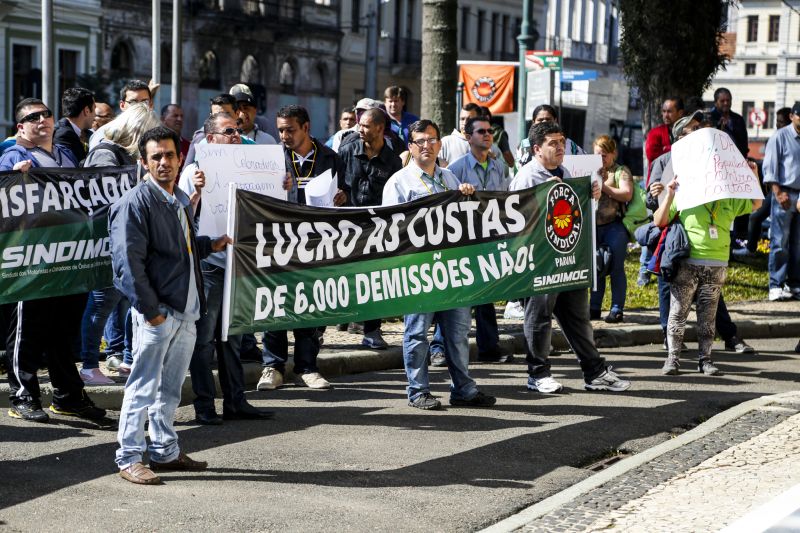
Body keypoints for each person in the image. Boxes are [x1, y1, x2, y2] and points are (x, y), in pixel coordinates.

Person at [109, 125, 231, 485]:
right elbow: (127, 266)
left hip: (186, 311)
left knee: (170, 389)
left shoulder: (177, 198)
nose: (164, 162)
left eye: (169, 155)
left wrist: (211, 244)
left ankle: (164, 451)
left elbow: (181, 249)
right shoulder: (134, 203)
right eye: (156, 157)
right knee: (142, 386)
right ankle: (129, 457)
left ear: (181, 159)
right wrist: (153, 312)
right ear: (144, 163)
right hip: (159, 314)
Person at [0, 98, 105, 423]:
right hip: (30, 260)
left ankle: (68, 396)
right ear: (21, 127)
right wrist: (13, 178)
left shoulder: (65, 155)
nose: (42, 120)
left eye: (46, 114)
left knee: (63, 332)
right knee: (27, 330)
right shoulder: (13, 156)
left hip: (66, 259)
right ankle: (23, 396)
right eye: (33, 117)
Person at [382, 119, 496, 410]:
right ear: (410, 147)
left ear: (439, 144)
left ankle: (464, 390)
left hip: (454, 270)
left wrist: (468, 196)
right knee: (417, 333)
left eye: (432, 140)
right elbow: (388, 230)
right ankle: (418, 391)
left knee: (457, 333)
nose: (426, 146)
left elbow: (467, 220)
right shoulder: (399, 182)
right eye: (420, 141)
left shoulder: (450, 179)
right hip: (418, 271)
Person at [509, 121, 630, 394]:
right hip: (540, 262)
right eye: (553, 142)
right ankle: (537, 374)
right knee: (538, 317)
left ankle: (594, 371)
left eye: (562, 141)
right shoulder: (527, 177)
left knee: (577, 318)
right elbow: (514, 220)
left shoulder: (567, 172)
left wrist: (592, 197)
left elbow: (574, 216)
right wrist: (541, 197)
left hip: (568, 260)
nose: (560, 146)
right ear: (537, 148)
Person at [178, 112, 275, 425]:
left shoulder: (250, 168)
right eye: (228, 131)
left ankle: (236, 401)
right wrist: (197, 192)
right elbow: (181, 217)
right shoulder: (193, 171)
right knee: (204, 339)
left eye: (238, 130)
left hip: (240, 266)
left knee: (234, 338)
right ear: (210, 139)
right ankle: (205, 405)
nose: (236, 135)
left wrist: (281, 186)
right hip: (209, 267)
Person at [653, 119, 761, 375]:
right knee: (678, 313)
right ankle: (672, 359)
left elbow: (756, 204)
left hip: (717, 264)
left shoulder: (726, 196)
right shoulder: (687, 190)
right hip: (689, 262)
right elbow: (660, 220)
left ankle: (706, 360)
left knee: (707, 317)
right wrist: (669, 195)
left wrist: (753, 175)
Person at [256, 105, 346, 393]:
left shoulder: (332, 158)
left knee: (310, 305)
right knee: (276, 303)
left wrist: (344, 197)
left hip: (316, 244)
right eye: (280, 129)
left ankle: (307, 367)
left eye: (289, 129)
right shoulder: (271, 159)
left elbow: (346, 195)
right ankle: (273, 366)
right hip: (279, 242)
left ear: (306, 128)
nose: (284, 135)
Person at [79, 103, 161, 385]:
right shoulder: (105, 153)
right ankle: (89, 365)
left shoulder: (122, 155)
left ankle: (127, 359)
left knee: (129, 301)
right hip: (107, 243)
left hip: (127, 241)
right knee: (102, 303)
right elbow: (104, 199)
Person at [447, 115, 513, 363]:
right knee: (456, 297)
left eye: (489, 131)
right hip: (464, 240)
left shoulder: (498, 166)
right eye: (481, 131)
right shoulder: (456, 169)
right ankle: (440, 348)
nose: (487, 135)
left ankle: (489, 348)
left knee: (486, 294)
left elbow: (507, 198)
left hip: (490, 238)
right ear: (468, 137)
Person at [337, 108, 402, 350]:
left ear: (380, 128)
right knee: (341, 277)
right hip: (347, 228)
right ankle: (329, 325)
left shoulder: (393, 161)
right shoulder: (346, 151)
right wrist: (340, 193)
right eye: (359, 125)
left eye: (364, 125)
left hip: (377, 230)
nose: (359, 129)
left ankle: (372, 330)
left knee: (376, 279)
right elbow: (334, 181)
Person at [590, 135, 633, 323]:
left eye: (604, 155)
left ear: (613, 154)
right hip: (594, 227)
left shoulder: (621, 171)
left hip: (614, 227)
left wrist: (602, 187)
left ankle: (617, 308)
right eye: (597, 155)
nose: (601, 159)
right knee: (596, 267)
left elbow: (626, 193)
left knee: (616, 268)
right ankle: (594, 307)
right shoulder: (589, 171)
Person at [762, 102, 800, 302]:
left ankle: (793, 284)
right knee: (780, 242)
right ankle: (776, 284)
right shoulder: (780, 136)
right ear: (793, 116)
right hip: (784, 194)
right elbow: (769, 168)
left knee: (797, 244)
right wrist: (777, 192)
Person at [516, 104, 585, 168]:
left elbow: (584, 163)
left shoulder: (570, 145)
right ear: (533, 122)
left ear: (555, 120)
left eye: (548, 119)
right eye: (540, 120)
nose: (544, 122)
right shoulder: (524, 146)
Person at [89, 80, 152, 149]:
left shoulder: (155, 132)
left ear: (151, 105)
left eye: (145, 102)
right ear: (122, 105)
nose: (139, 106)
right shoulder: (105, 134)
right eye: (133, 102)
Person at [54, 87, 95, 162]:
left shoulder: (74, 132)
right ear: (87, 111)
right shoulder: (63, 135)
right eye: (94, 109)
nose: (95, 116)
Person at [709, 88, 748, 157]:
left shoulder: (739, 119)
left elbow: (744, 144)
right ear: (715, 103)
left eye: (728, 100)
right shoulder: (709, 119)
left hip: (736, 162)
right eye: (722, 101)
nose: (726, 103)